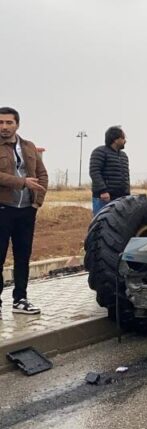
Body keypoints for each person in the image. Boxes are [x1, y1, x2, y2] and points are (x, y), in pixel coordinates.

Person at [0, 107, 48, 315]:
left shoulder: (29, 146)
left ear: (17, 124)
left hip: (26, 211)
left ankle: (20, 299)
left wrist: (37, 203)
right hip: (3, 209)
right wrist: (22, 182)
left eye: (9, 122)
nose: (4, 127)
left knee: (23, 257)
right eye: (0, 123)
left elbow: (42, 174)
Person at [89, 126, 130, 216]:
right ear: (115, 139)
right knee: (101, 225)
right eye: (123, 138)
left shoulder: (123, 155)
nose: (125, 141)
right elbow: (94, 172)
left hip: (121, 198)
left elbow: (126, 176)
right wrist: (103, 191)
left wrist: (127, 193)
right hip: (104, 198)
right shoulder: (99, 152)